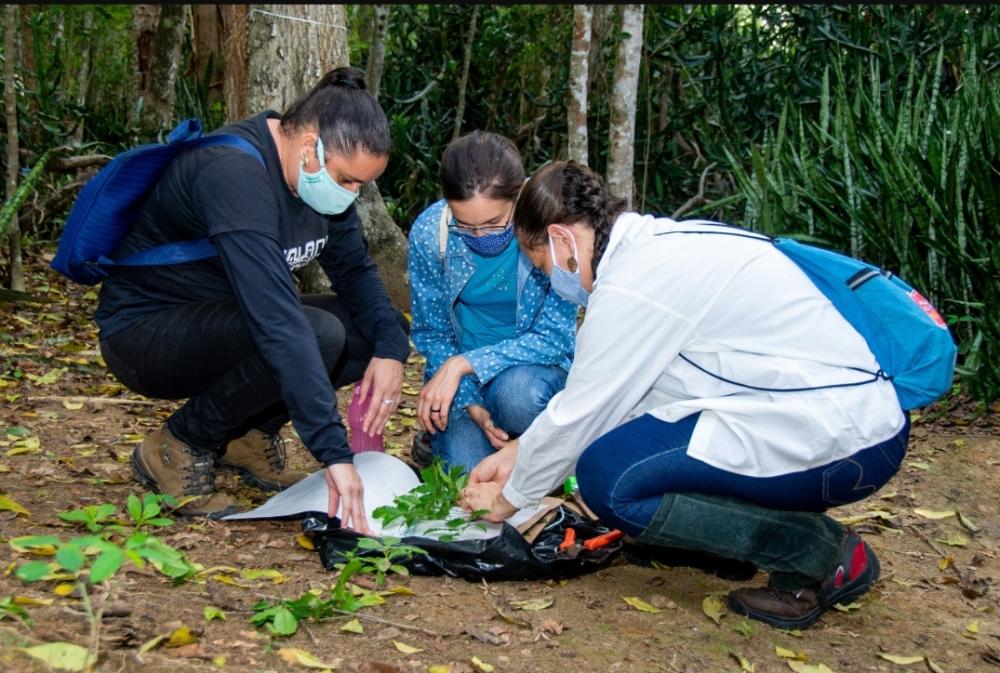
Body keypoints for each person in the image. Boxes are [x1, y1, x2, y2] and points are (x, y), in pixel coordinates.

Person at [459, 161, 910, 630]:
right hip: (839, 416)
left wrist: (510, 498)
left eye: (541, 264)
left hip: (847, 439)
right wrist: (518, 452)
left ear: (562, 240)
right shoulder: (654, 248)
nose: (550, 277)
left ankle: (821, 554)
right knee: (630, 450)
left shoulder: (634, 286)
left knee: (609, 478)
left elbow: (582, 414)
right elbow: (623, 402)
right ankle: (717, 543)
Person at [95, 67, 409, 529]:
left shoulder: (318, 183)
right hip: (145, 333)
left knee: (374, 332)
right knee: (315, 334)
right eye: (347, 180)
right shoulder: (234, 173)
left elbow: (356, 273)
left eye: (361, 185)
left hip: (227, 321)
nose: (352, 194)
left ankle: (247, 437)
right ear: (310, 148)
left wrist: (392, 349)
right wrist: (334, 455)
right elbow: (278, 323)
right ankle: (179, 444)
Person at [407, 132, 577, 473]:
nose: (480, 237)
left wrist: (466, 363)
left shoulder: (549, 225)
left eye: (494, 224)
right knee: (468, 477)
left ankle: (537, 441)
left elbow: (555, 338)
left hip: (532, 374)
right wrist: (469, 401)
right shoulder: (431, 233)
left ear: (518, 197)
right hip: (463, 382)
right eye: (465, 226)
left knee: (517, 398)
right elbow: (432, 332)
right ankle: (455, 439)